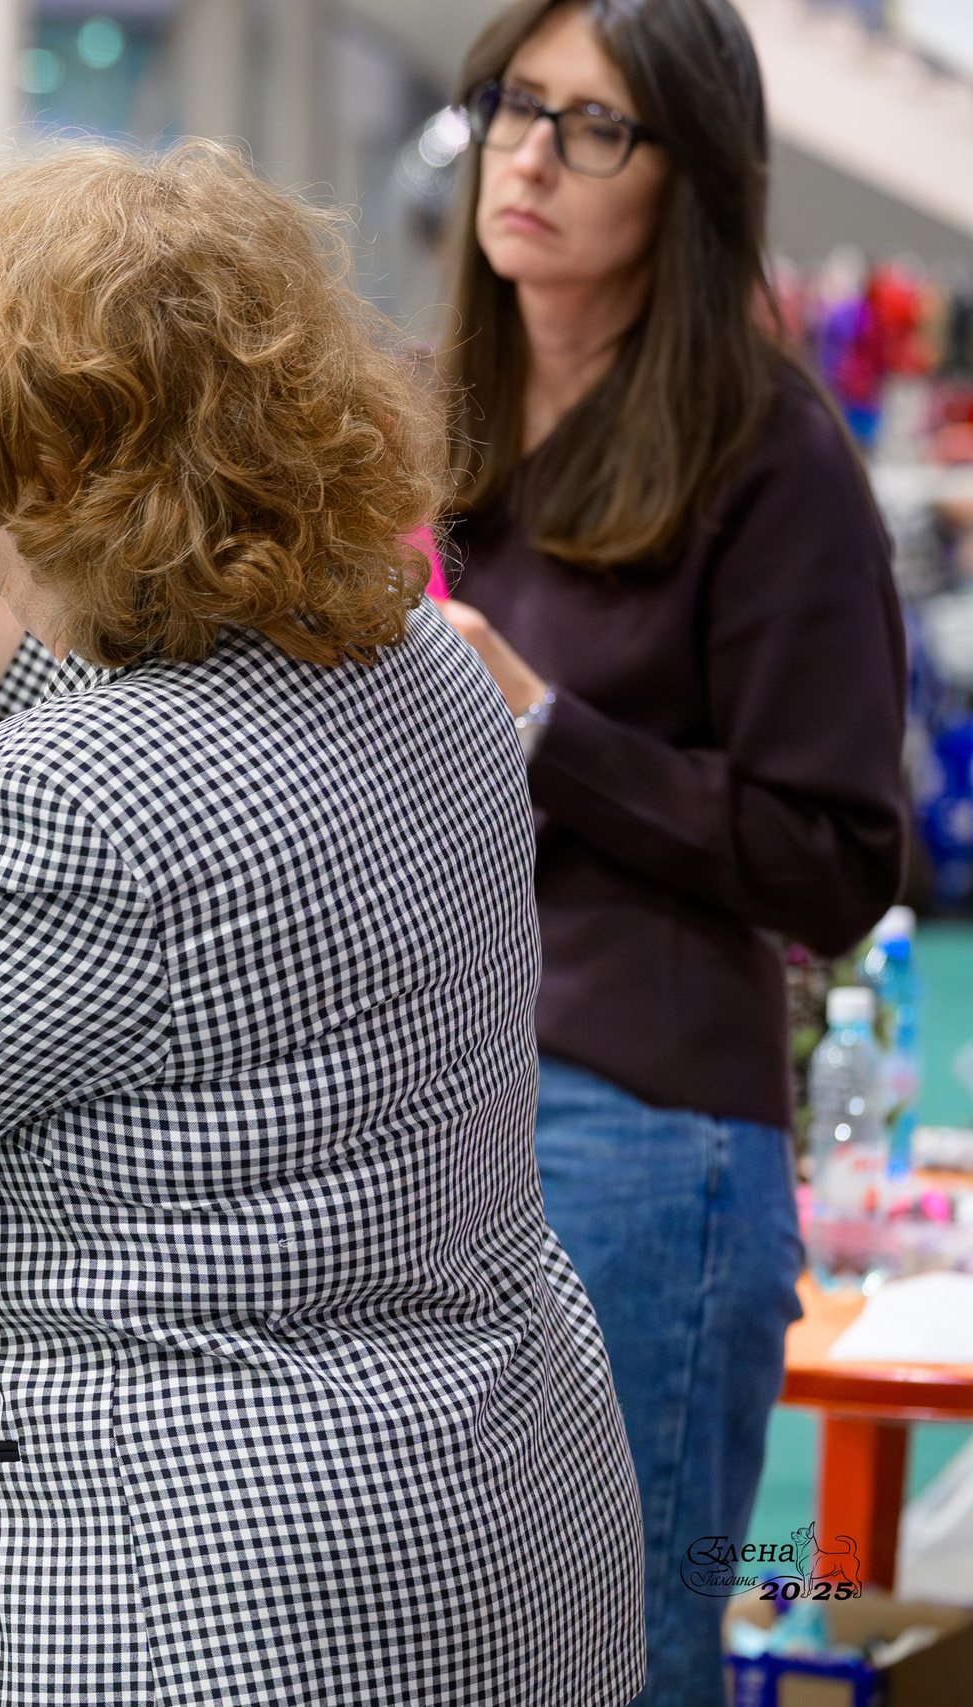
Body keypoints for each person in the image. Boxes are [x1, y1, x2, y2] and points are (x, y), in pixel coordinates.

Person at [0, 143, 645, 1706]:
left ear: (60, 479)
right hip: (500, 1533)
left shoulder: (70, 811)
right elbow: (153, 780)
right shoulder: (424, 669)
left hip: (215, 1606)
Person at [434, 3, 907, 1700]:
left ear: (689, 180)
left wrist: (550, 729)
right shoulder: (454, 435)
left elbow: (840, 852)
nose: (533, 152)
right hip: (436, 1114)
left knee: (621, 1650)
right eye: (513, 104)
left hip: (643, 1133)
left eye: (595, 125)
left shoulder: (773, 461)